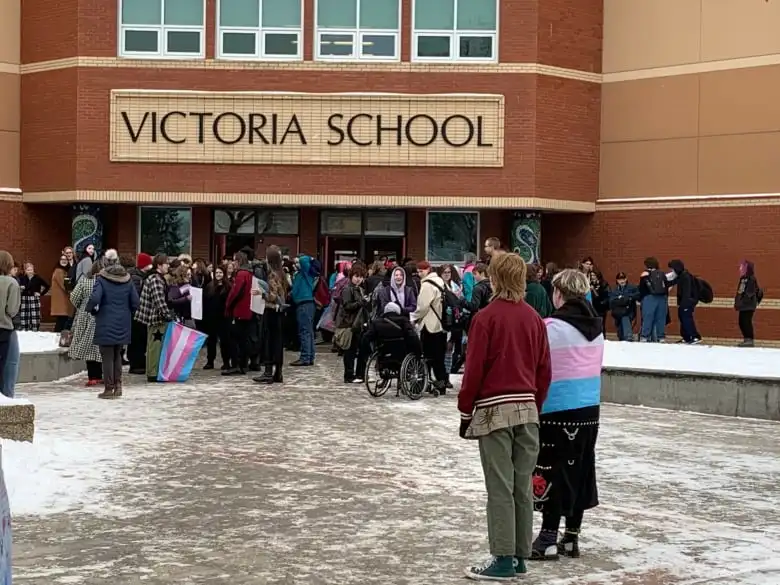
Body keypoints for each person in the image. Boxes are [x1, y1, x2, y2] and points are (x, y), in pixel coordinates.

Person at [458, 253, 552, 581]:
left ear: (495, 279)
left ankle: (502, 557)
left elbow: (473, 371)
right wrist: (534, 404)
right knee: (521, 487)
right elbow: (544, 371)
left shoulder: (486, 318)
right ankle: (520, 556)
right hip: (527, 409)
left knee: (499, 487)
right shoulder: (535, 319)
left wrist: (465, 410)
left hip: (494, 411)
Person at [530, 269, 603, 561]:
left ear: (559, 293)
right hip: (589, 409)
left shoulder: (550, 327)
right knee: (581, 467)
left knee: (552, 470)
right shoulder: (597, 329)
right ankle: (571, 537)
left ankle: (547, 536)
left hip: (556, 410)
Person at [86, 253, 139, 399]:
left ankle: (109, 389)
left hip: (105, 322)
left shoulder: (102, 280)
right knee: (118, 355)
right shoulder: (128, 280)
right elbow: (135, 302)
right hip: (123, 322)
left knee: (107, 357)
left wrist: (90, 309)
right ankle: (118, 386)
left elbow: (95, 298)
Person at [135, 254, 175, 383]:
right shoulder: (156, 279)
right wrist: (167, 315)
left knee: (154, 345)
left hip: (155, 317)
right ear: (159, 265)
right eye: (166, 263)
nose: (168, 265)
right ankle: (153, 372)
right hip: (156, 318)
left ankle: (154, 371)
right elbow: (159, 300)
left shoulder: (154, 278)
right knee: (155, 346)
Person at [410, 261, 448, 395]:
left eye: (422, 271)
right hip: (440, 324)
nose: (420, 273)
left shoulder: (427, 285)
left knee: (428, 357)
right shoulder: (439, 281)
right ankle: (442, 382)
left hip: (429, 325)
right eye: (418, 271)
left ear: (428, 270)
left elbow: (422, 306)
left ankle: (426, 383)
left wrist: (413, 317)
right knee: (439, 357)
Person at [254, 246, 288, 385]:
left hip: (272, 311)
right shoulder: (282, 273)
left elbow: (274, 296)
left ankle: (268, 372)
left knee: (268, 341)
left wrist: (261, 294)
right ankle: (278, 373)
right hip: (280, 313)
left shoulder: (272, 274)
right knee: (278, 343)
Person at [68, 260, 103, 386]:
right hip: (101, 316)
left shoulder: (84, 281)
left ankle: (92, 376)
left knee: (88, 347)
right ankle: (99, 375)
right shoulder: (105, 283)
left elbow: (74, 297)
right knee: (99, 347)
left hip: (85, 316)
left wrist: (81, 307)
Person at [336, 263, 369, 383]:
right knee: (350, 351)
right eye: (356, 276)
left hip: (358, 324)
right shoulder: (347, 289)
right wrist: (361, 302)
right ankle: (349, 375)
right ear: (351, 276)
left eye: (361, 276)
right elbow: (347, 306)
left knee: (362, 350)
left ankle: (360, 374)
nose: (358, 279)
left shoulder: (360, 289)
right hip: (350, 324)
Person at [223, 251, 254, 375]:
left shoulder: (241, 274)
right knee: (244, 339)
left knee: (235, 339)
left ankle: (236, 365)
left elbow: (235, 293)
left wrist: (228, 305)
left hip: (239, 310)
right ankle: (244, 364)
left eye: (235, 261)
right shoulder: (250, 274)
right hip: (247, 310)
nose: (233, 263)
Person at [290, 254, 318, 367]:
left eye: (297, 262)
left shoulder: (306, 272)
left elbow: (304, 260)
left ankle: (305, 357)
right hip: (305, 304)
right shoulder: (300, 274)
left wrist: (308, 258)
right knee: (308, 331)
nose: (296, 264)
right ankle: (309, 356)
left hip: (304, 304)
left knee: (305, 331)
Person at [127, 253, 153, 374]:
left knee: (138, 338)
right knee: (137, 338)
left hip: (136, 313)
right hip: (136, 314)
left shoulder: (139, 276)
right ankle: (136, 364)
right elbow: (136, 296)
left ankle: (137, 362)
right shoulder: (137, 278)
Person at [0, 251, 20, 398]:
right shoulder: (11, 282)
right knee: (7, 364)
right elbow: (12, 310)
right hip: (4, 328)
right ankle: (6, 397)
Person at [203, 266, 231, 370]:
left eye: (220, 272)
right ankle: (210, 361)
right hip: (212, 317)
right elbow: (205, 301)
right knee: (211, 340)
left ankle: (226, 361)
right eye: (216, 273)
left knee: (225, 341)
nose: (218, 274)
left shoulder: (228, 287)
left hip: (224, 317)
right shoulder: (209, 286)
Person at [668, 259, 701, 344]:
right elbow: (672, 282)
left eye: (672, 269)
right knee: (683, 318)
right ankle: (686, 337)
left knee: (687, 319)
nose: (672, 271)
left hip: (687, 302)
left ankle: (695, 336)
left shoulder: (686, 276)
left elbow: (687, 292)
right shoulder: (681, 276)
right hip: (684, 302)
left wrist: (684, 304)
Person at [638, 257, 669, 342]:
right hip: (662, 298)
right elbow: (666, 287)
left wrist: (640, 299)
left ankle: (644, 337)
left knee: (648, 317)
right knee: (661, 318)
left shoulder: (645, 274)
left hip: (649, 298)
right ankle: (661, 337)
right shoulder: (662, 274)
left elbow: (641, 288)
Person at [735, 260, 761, 347]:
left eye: (742, 267)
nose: (740, 268)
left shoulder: (750, 278)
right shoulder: (743, 278)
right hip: (744, 305)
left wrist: (742, 301)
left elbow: (749, 292)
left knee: (746, 321)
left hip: (748, 305)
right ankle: (746, 339)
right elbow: (740, 291)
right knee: (741, 322)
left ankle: (749, 340)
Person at [18, 262, 49, 331]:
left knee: (35, 318)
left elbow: (47, 286)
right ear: (25, 271)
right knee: (24, 317)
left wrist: (41, 294)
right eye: (28, 270)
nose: (30, 272)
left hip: (34, 299)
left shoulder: (37, 278)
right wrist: (20, 288)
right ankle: (25, 332)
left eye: (31, 270)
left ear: (33, 270)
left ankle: (35, 331)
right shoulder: (22, 278)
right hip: (24, 299)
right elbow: (18, 287)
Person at [609, 272, 639, 341]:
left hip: (629, 311)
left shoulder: (632, 288)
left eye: (623, 279)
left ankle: (629, 336)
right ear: (617, 280)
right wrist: (621, 300)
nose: (622, 281)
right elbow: (611, 301)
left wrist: (628, 297)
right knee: (620, 333)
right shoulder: (614, 290)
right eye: (619, 279)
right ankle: (623, 338)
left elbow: (638, 295)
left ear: (626, 279)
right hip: (618, 313)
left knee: (625, 317)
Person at [50, 254, 74, 333]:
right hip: (62, 301)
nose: (64, 261)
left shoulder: (64, 271)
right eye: (62, 259)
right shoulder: (59, 271)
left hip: (62, 301)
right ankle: (58, 336)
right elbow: (65, 285)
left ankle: (59, 336)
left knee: (62, 320)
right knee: (62, 321)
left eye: (65, 260)